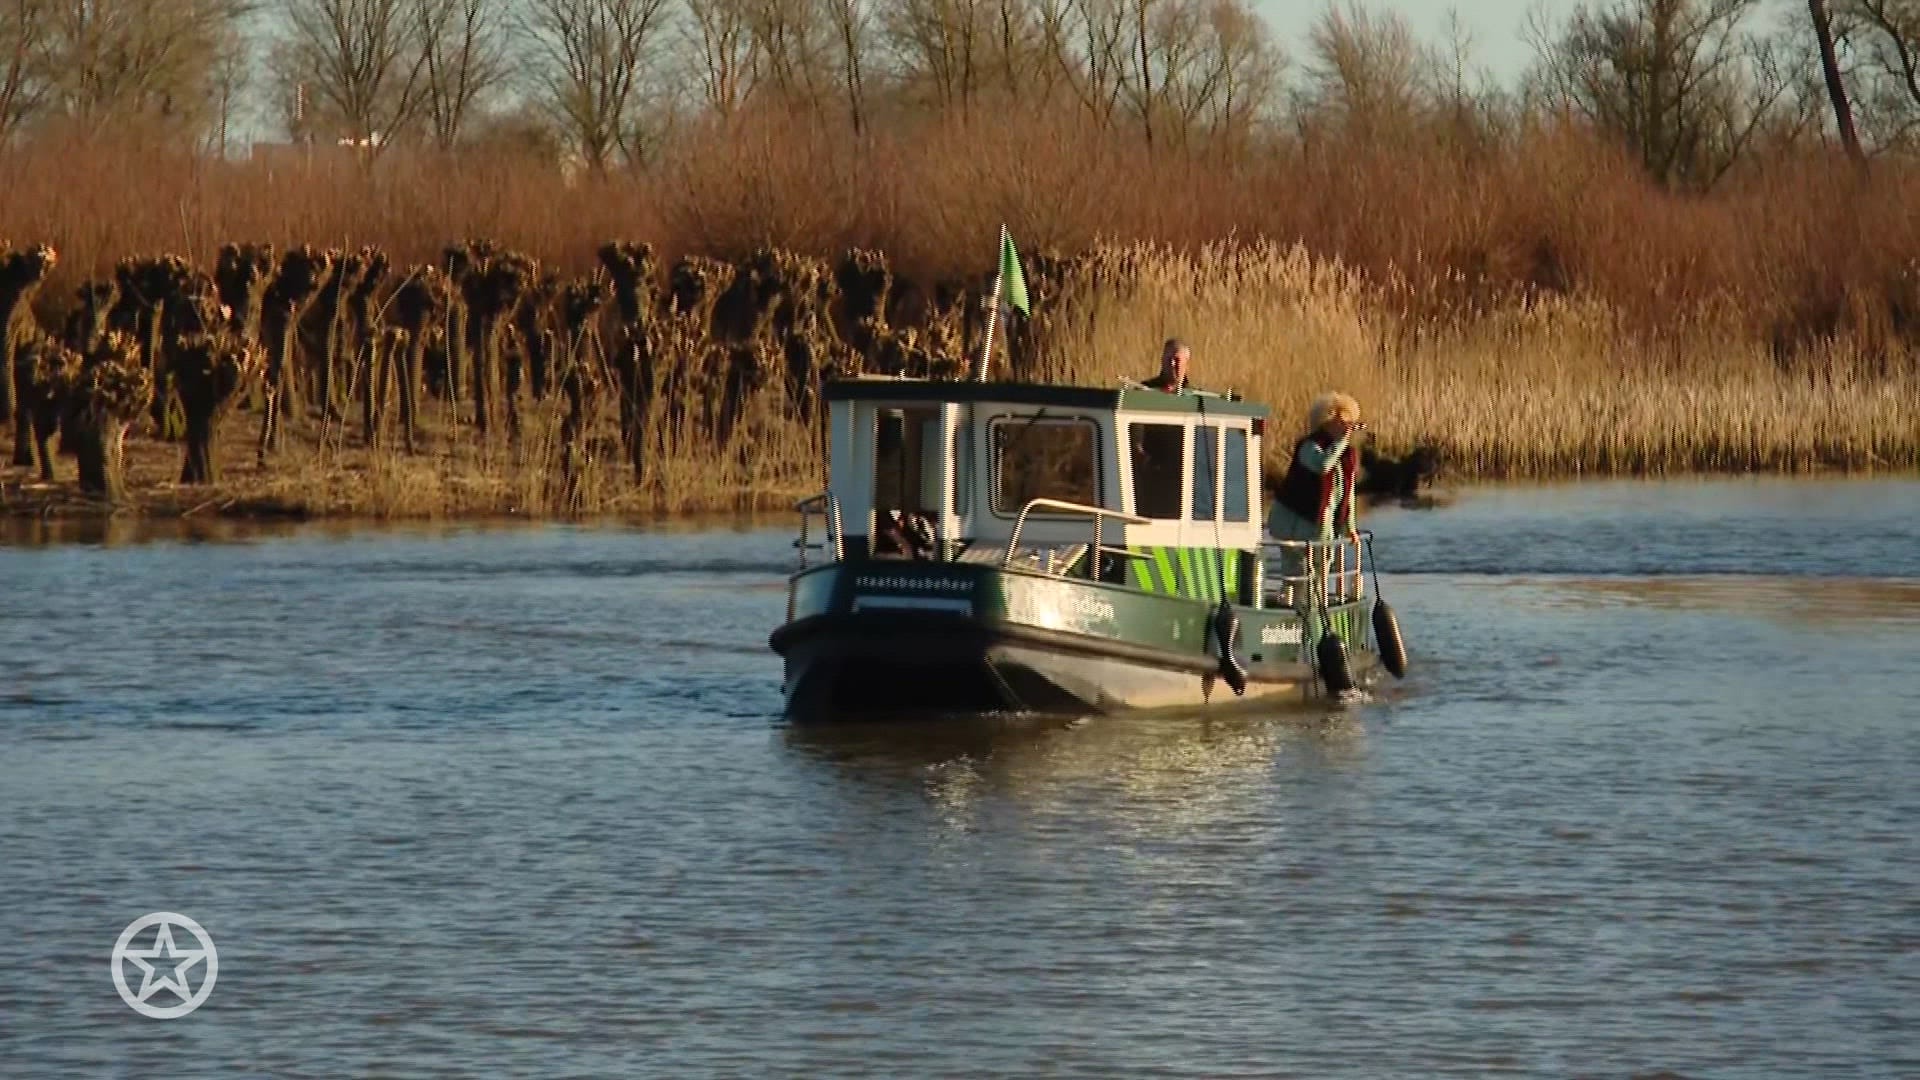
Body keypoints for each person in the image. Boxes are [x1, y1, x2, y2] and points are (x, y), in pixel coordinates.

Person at [1264, 391, 1362, 612]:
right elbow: (1322, 465)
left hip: (1322, 522)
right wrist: (1339, 443)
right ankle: (1290, 608)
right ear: (1327, 422)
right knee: (1297, 570)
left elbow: (1348, 492)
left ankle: (1315, 608)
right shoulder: (1309, 447)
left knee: (1322, 565)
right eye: (1342, 422)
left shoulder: (1347, 454)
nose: (1348, 428)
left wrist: (1351, 528)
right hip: (1293, 519)